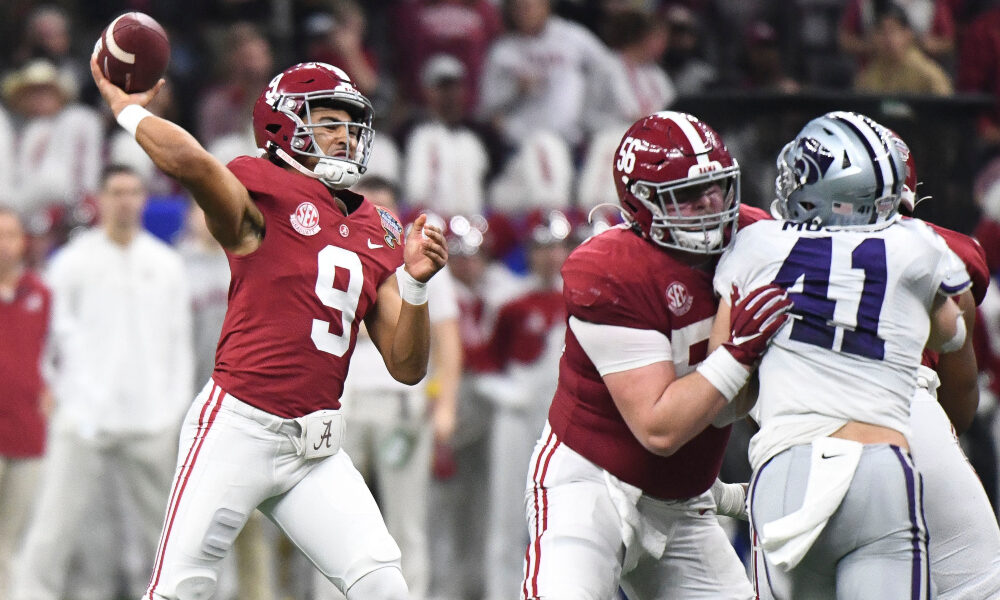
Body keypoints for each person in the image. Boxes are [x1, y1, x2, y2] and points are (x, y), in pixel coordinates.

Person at [90, 52, 448, 600]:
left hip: (316, 448)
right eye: (329, 122)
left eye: (351, 125)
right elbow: (194, 165)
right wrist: (130, 112)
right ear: (285, 124)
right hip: (238, 427)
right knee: (178, 590)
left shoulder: (378, 226)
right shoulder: (262, 190)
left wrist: (418, 286)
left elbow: (406, 365)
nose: (346, 138)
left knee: (384, 586)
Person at [521, 111, 790, 599]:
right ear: (639, 204)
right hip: (591, 485)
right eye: (687, 196)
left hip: (682, 503)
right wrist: (739, 352)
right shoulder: (610, 271)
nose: (711, 206)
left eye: (716, 188)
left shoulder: (758, 238)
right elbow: (659, 427)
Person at [715, 111, 969, 598]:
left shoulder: (755, 242)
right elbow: (951, 335)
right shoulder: (914, 243)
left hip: (785, 468)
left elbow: (726, 399)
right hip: (880, 465)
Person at [11, 165, 194, 600]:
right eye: (116, 192)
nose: (125, 200)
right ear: (101, 199)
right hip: (84, 421)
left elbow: (179, 343)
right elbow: (50, 341)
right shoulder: (72, 263)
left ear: (144, 200)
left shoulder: (167, 265)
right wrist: (70, 403)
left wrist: (171, 412)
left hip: (151, 420)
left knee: (166, 538)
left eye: (133, 192)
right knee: (51, 532)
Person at [311, 176, 462, 600]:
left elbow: (448, 340)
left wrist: (446, 403)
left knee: (405, 524)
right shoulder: (334, 252)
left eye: (384, 206)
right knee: (330, 521)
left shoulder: (418, 259)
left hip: (402, 408)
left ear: (397, 213)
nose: (376, 213)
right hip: (340, 403)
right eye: (368, 204)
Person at [474, 209, 571, 600]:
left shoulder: (584, 298)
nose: (550, 256)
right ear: (529, 252)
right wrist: (510, 393)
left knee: (567, 515)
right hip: (517, 418)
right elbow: (483, 363)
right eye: (542, 248)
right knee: (508, 516)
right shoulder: (511, 303)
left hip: (567, 418)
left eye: (558, 247)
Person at [0, 207, 51, 598]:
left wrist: (53, 394)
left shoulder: (42, 295)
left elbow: (58, 355)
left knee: (16, 538)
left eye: (11, 235)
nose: (4, 245)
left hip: (27, 432)